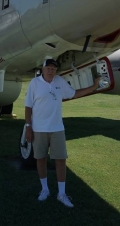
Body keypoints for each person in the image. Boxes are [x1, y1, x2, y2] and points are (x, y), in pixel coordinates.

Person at [24, 58, 100, 208]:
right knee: (41, 159)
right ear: (43, 69)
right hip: (39, 129)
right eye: (48, 68)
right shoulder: (35, 83)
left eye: (53, 69)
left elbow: (74, 94)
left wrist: (94, 87)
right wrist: (28, 126)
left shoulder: (59, 82)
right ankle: (45, 189)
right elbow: (28, 106)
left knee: (60, 160)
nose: (51, 71)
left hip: (57, 128)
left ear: (56, 71)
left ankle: (61, 194)